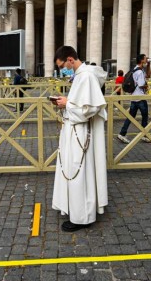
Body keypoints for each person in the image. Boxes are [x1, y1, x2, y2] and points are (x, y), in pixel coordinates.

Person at [52, 46, 108, 232]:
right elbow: (80, 102)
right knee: (73, 169)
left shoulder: (86, 76)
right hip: (73, 130)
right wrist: (66, 102)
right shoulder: (80, 75)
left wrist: (68, 103)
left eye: (62, 66)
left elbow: (90, 109)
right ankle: (75, 209)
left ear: (70, 59)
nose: (62, 70)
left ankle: (82, 216)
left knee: (79, 172)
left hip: (80, 132)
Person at [117, 54, 151, 144]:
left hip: (134, 97)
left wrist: (149, 65)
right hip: (140, 97)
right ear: (141, 60)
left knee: (130, 117)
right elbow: (141, 85)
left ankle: (122, 133)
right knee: (145, 116)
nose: (146, 59)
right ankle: (144, 135)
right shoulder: (140, 72)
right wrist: (147, 86)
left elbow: (148, 75)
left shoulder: (136, 69)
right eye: (145, 59)